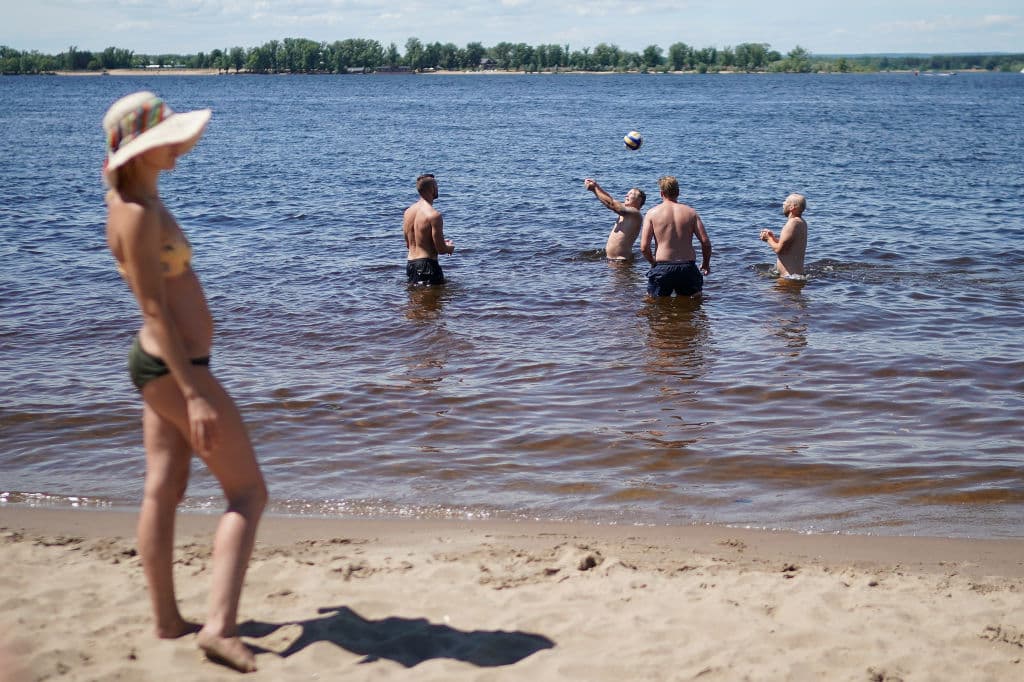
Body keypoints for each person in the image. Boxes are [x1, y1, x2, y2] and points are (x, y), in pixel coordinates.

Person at [102, 91, 267, 673]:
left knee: (164, 488)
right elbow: (154, 310)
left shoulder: (138, 197)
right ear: (143, 148)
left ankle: (168, 620)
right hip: (177, 369)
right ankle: (219, 628)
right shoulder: (138, 213)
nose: (180, 145)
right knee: (248, 493)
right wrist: (194, 394)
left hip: (161, 365)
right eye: (166, 138)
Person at [640, 176, 712, 297]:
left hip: (663, 267)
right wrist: (705, 263)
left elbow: (644, 247)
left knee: (652, 305)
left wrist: (653, 263)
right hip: (687, 267)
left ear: (661, 193)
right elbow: (705, 243)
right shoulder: (691, 213)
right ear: (678, 192)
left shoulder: (652, 213)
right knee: (694, 304)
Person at [403, 173, 454, 285]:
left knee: (414, 301)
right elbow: (440, 249)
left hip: (411, 264)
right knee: (435, 301)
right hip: (428, 266)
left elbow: (409, 244)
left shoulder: (407, 213)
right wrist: (449, 247)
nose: (437, 188)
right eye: (436, 186)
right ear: (432, 189)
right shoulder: (434, 215)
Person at [583, 178, 646, 259]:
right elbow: (610, 201)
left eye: (631, 194)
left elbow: (612, 204)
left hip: (623, 263)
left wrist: (595, 188)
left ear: (639, 199)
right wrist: (596, 187)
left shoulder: (635, 213)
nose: (626, 195)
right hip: (613, 261)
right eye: (627, 193)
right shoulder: (626, 212)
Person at [759, 193, 808, 279]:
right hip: (795, 275)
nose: (783, 203)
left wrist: (768, 239)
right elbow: (787, 247)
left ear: (792, 207)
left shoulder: (792, 224)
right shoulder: (801, 222)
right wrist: (773, 238)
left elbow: (779, 250)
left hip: (789, 277)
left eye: (786, 201)